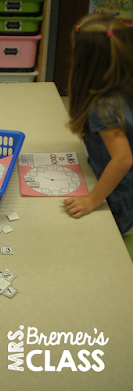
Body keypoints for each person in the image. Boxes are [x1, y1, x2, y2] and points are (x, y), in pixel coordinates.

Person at [64, 13, 133, 235]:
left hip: (120, 192)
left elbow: (123, 159)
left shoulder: (103, 107)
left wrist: (93, 199)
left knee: (108, 238)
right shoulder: (123, 82)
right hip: (116, 182)